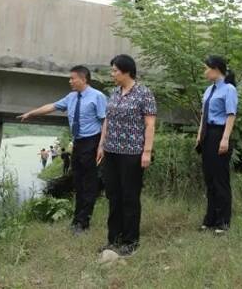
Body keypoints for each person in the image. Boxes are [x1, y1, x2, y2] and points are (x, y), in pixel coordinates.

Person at [18, 65, 107, 234]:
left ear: (83, 79)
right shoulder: (71, 97)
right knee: (78, 181)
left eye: (72, 78)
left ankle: (83, 223)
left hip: (92, 142)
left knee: (89, 183)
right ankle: (77, 220)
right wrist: (32, 113)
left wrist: (101, 146)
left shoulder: (98, 96)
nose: (70, 81)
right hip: (78, 142)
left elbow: (105, 121)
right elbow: (52, 106)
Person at [96, 54, 156, 256]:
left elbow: (150, 124)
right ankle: (113, 239)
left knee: (130, 197)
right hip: (111, 152)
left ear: (126, 71)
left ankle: (130, 241)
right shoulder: (114, 92)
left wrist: (147, 151)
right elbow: (108, 120)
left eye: (114, 70)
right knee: (113, 196)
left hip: (132, 154)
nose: (112, 74)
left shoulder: (144, 93)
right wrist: (101, 145)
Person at [195, 56, 238, 234]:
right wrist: (199, 136)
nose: (205, 72)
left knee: (220, 179)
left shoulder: (229, 89)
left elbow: (231, 114)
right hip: (207, 134)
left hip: (219, 133)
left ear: (216, 69)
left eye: (206, 68)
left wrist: (225, 138)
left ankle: (223, 221)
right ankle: (210, 218)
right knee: (209, 178)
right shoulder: (208, 90)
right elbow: (204, 114)